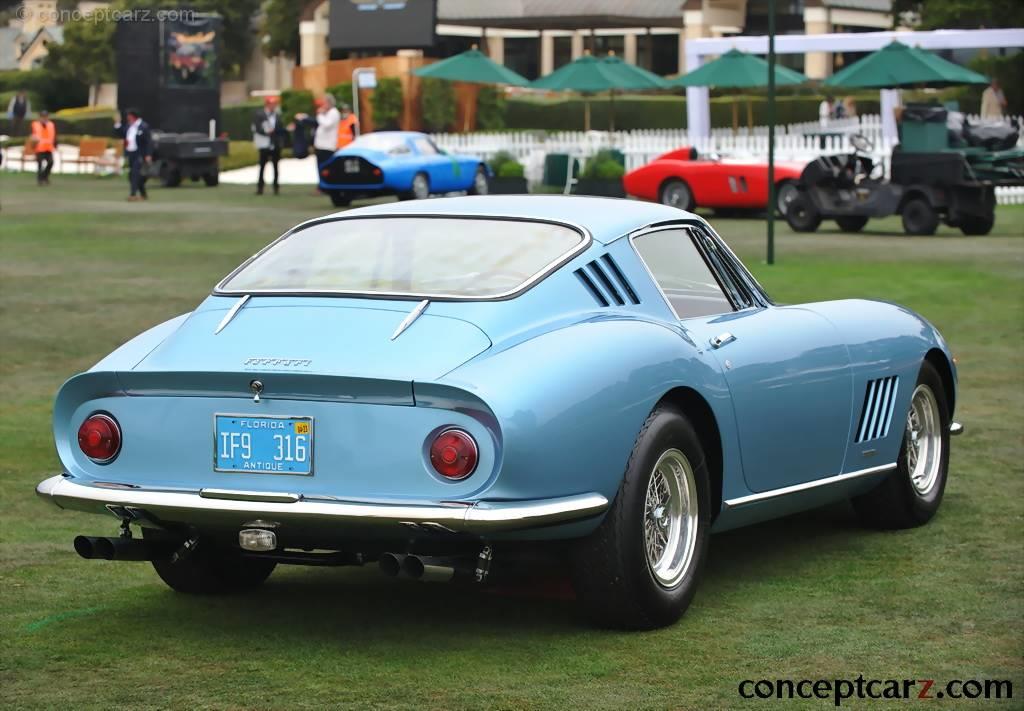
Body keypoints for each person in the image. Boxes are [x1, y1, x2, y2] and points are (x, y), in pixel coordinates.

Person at [297, 95, 340, 184]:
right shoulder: (326, 113)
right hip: (321, 145)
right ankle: (322, 184)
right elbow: (316, 121)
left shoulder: (333, 112)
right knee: (320, 166)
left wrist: (320, 114)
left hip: (327, 146)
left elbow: (326, 124)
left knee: (326, 167)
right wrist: (305, 117)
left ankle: (326, 184)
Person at [113, 108, 153, 201]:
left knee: (135, 173)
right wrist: (117, 124)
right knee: (132, 176)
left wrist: (148, 154)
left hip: (139, 154)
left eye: (129, 116)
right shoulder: (129, 126)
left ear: (133, 116)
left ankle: (133, 194)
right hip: (131, 153)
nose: (127, 117)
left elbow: (148, 142)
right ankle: (143, 194)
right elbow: (122, 134)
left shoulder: (143, 126)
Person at [251, 95, 287, 195]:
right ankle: (260, 187)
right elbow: (257, 128)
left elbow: (280, 128)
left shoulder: (278, 115)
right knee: (262, 166)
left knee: (276, 166)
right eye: (271, 104)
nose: (273, 106)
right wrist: (266, 132)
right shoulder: (259, 115)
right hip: (264, 143)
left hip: (275, 144)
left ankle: (276, 187)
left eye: (274, 104)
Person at [30, 110, 56, 186]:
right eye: (43, 116)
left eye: (45, 116)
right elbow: (33, 135)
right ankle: (40, 180)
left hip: (48, 147)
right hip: (39, 148)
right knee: (40, 164)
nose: (44, 118)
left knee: (51, 162)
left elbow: (53, 135)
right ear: (40, 117)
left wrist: (55, 145)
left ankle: (45, 177)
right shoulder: (35, 124)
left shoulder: (51, 124)